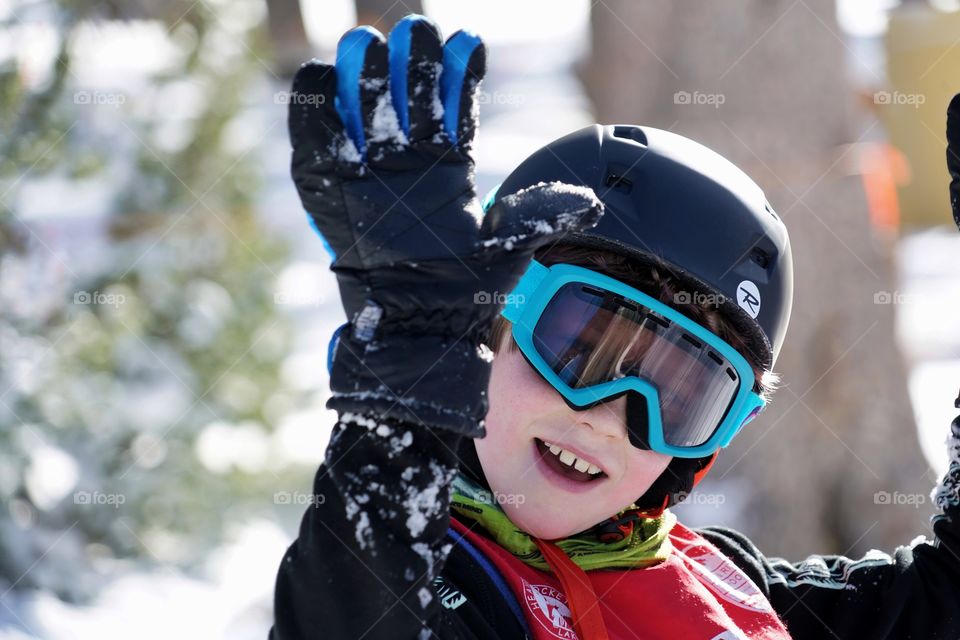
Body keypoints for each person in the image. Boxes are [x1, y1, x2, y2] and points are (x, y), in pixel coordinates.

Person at [271, 14, 960, 640]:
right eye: (579, 349)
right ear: (486, 330)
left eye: (679, 395)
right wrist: (407, 371)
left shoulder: (729, 590)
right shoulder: (428, 584)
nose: (607, 417)